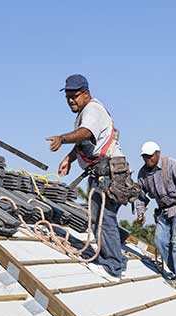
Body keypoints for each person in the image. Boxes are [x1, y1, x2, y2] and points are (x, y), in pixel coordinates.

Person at [46, 74, 127, 282]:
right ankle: (117, 258)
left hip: (107, 171)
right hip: (107, 170)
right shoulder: (87, 111)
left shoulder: (92, 109)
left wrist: (62, 139)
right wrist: (70, 158)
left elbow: (84, 133)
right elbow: (86, 141)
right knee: (103, 217)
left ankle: (113, 267)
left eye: (74, 96)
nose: (71, 100)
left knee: (103, 218)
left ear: (86, 93)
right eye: (67, 97)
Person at [135, 141, 176, 292]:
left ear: (158, 154)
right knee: (159, 241)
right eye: (145, 157)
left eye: (150, 156)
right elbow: (140, 196)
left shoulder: (171, 165)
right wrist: (141, 212)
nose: (148, 159)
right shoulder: (143, 174)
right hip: (163, 210)